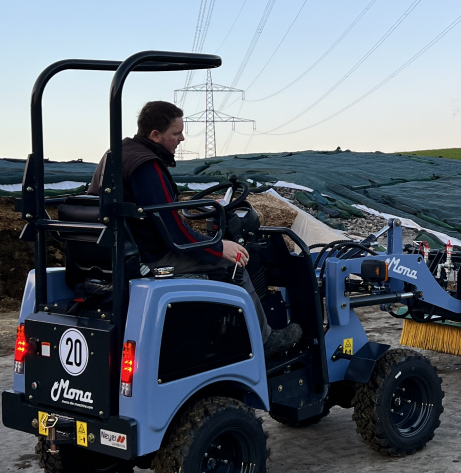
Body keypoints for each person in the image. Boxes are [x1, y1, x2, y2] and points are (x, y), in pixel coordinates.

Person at [88, 100, 302, 356]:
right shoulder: (146, 165)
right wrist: (219, 246)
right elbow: (175, 233)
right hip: (150, 257)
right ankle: (264, 340)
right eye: (176, 133)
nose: (182, 138)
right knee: (234, 263)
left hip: (118, 252)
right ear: (155, 135)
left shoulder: (117, 154)